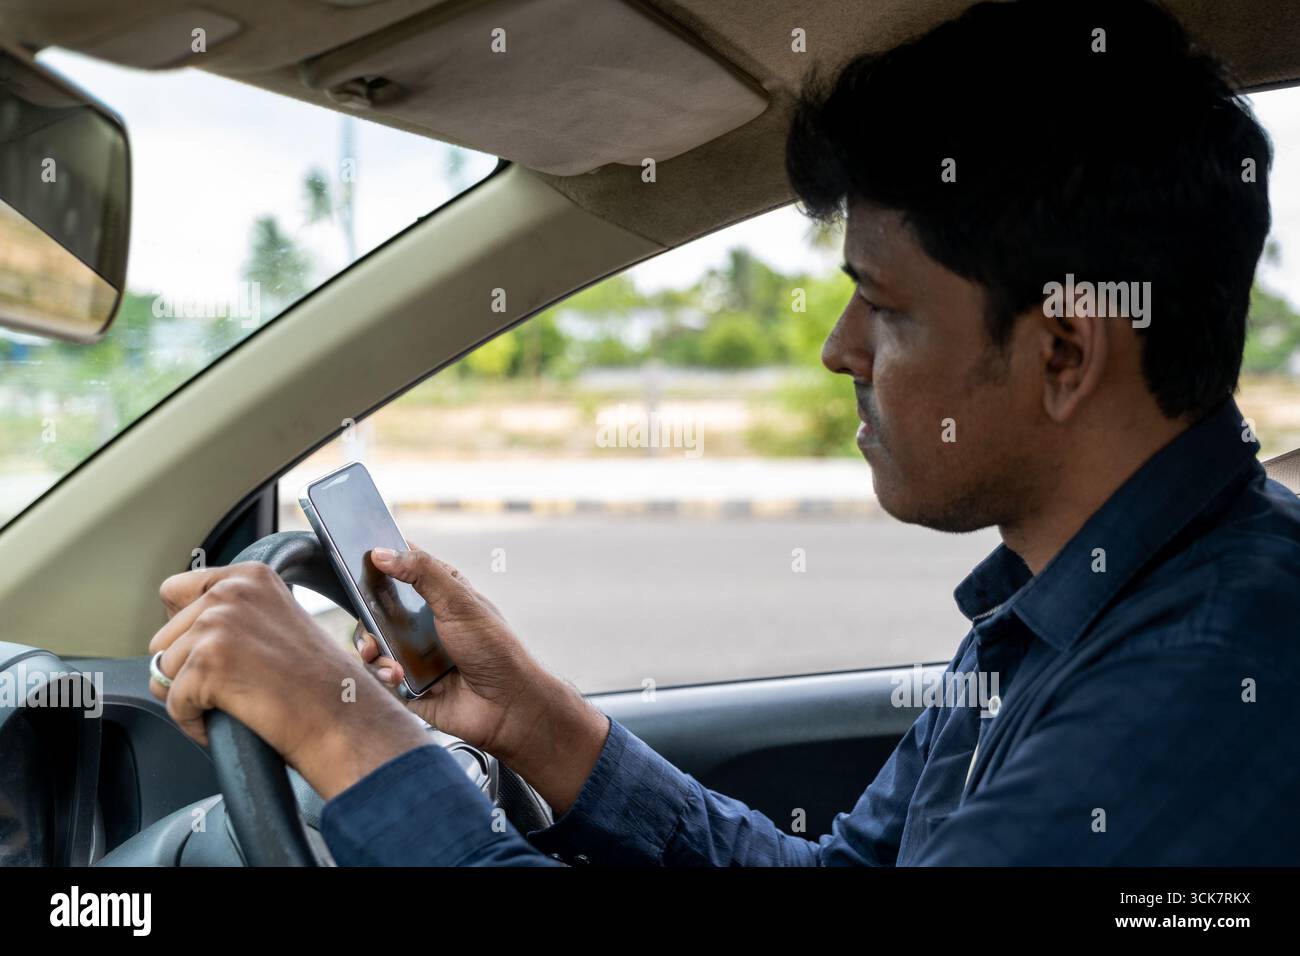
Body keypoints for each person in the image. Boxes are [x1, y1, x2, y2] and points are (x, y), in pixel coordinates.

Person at [147, 0, 1300, 865]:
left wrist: (353, 739)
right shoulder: (1073, 606)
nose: (838, 349)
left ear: (1063, 355)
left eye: (886, 307)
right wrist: (542, 725)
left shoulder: (1205, 672)